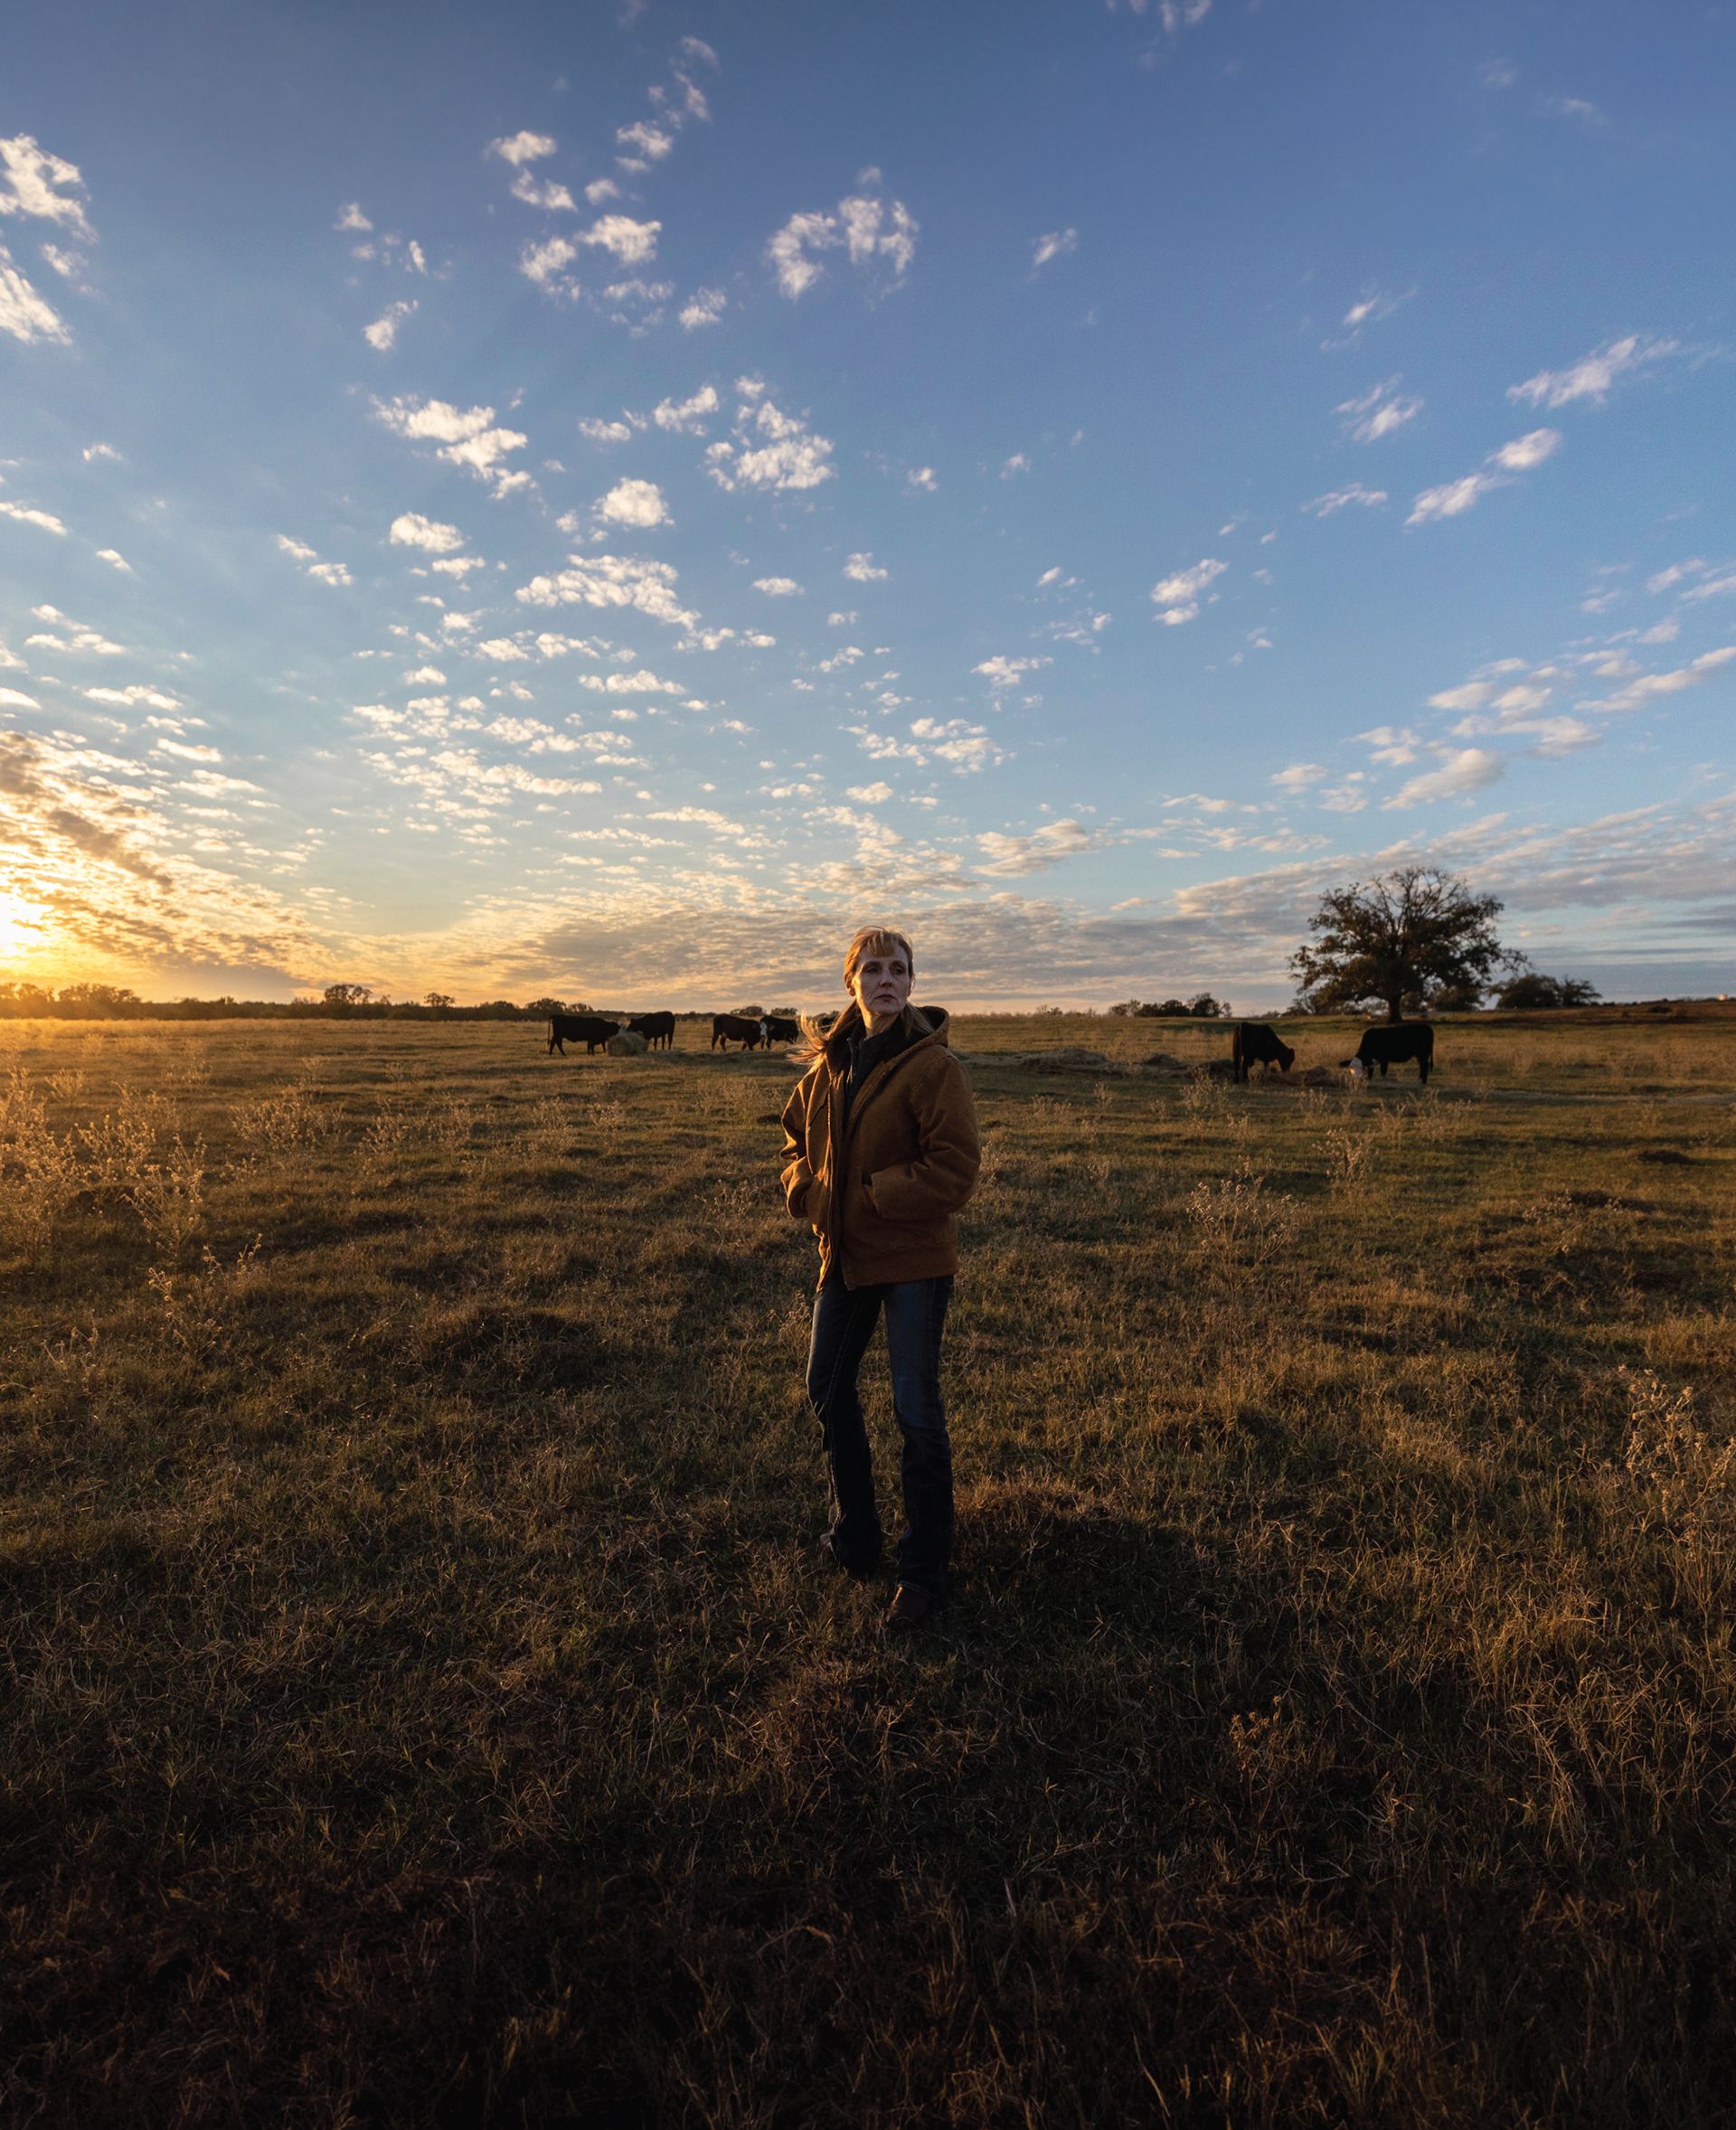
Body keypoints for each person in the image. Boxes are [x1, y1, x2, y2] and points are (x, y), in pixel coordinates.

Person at [778, 927, 981, 1631]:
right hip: (845, 1259)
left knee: (915, 1412)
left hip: (914, 1262)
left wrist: (867, 1199)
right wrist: (808, 1192)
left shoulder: (934, 1069)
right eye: (872, 968)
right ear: (851, 983)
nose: (885, 979)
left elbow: (954, 1169)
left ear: (912, 983)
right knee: (827, 1390)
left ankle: (922, 1574)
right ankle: (855, 1537)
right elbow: (794, 1141)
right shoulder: (829, 1067)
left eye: (898, 969)